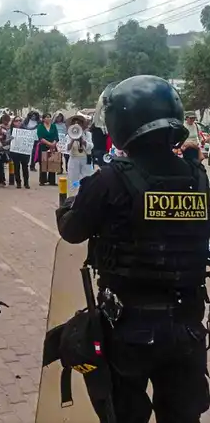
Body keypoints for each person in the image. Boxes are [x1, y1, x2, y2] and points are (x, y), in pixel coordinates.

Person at [55, 75, 210, 423]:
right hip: (187, 323)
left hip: (128, 325)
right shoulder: (198, 178)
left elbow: (72, 231)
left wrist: (68, 205)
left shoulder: (111, 179)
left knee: (124, 414)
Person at [37, 112, 59, 186]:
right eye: (46, 117)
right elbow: (40, 137)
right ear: (43, 119)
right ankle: (43, 180)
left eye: (49, 117)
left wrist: (53, 143)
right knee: (43, 163)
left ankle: (52, 180)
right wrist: (49, 144)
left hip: (53, 146)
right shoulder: (40, 127)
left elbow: (56, 136)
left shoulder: (53, 126)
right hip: (44, 146)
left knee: (52, 163)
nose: (48, 118)